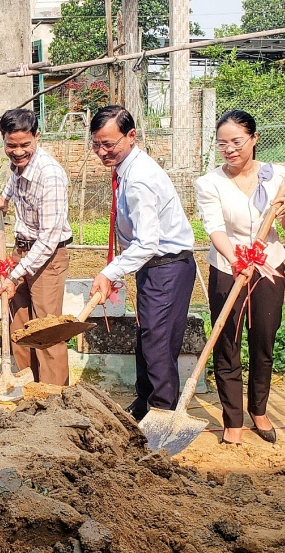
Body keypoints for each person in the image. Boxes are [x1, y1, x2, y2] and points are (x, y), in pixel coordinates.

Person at [194, 110, 285, 445]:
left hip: (269, 266)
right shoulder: (209, 183)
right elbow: (215, 228)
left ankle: (259, 410)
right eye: (222, 143)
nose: (229, 149)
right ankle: (233, 420)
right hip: (229, 267)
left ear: (254, 139)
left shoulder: (278, 176)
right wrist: (235, 260)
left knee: (263, 339)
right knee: (227, 341)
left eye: (237, 142)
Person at [89, 105, 196, 421]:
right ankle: (144, 401)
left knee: (158, 342)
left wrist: (111, 270)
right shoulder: (126, 170)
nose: (102, 152)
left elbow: (148, 242)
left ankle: (162, 412)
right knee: (146, 337)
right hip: (154, 267)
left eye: (109, 144)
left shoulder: (139, 179)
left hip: (167, 267)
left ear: (131, 136)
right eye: (96, 144)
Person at [0, 108, 72, 385]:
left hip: (47, 257)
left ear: (37, 136)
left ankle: (53, 399)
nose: (18, 152)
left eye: (25, 145)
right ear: (4, 140)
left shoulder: (50, 175)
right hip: (21, 251)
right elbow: (13, 182)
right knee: (20, 327)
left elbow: (48, 239)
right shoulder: (18, 165)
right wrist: (4, 198)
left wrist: (14, 275)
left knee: (47, 331)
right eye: (11, 145)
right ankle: (29, 391)